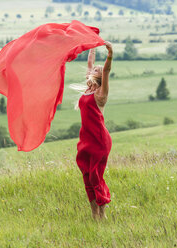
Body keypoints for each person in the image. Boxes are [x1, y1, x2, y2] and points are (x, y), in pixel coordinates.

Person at [76, 41, 113, 220]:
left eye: (97, 69)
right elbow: (90, 62)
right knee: (87, 175)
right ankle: (94, 212)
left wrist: (110, 52)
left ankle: (102, 213)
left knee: (95, 177)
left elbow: (106, 70)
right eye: (94, 69)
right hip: (85, 139)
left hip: (99, 140)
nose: (95, 69)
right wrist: (92, 44)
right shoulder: (87, 89)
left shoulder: (100, 94)